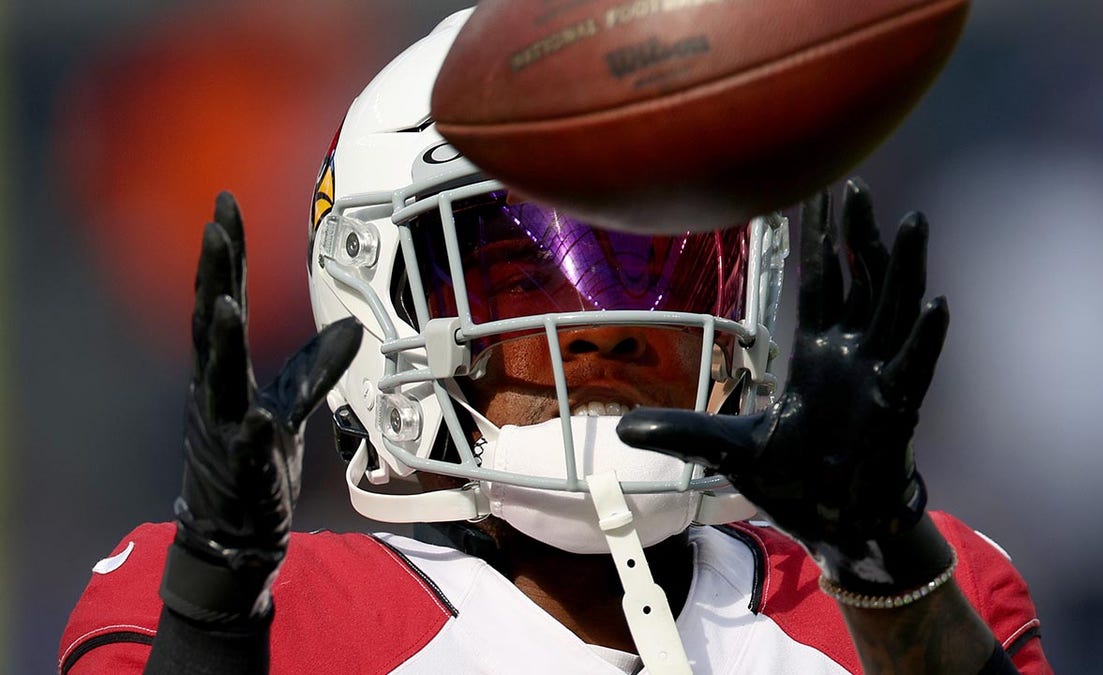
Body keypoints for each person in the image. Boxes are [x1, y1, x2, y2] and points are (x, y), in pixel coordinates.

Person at [60, 9, 1050, 675]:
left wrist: (887, 569)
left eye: (665, 268)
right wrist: (212, 611)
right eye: (522, 276)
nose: (611, 329)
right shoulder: (275, 616)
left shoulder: (902, 593)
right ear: (382, 304)